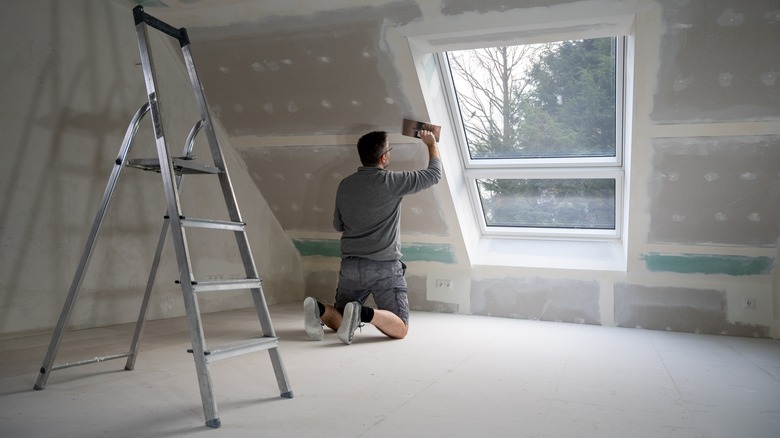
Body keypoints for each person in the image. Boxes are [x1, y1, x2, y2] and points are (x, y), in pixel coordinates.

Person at [304, 129, 442, 344]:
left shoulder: (345, 185)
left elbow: (338, 224)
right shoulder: (393, 181)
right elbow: (434, 175)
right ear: (384, 157)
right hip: (384, 268)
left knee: (341, 320)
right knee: (401, 327)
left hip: (350, 266)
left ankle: (319, 308)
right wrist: (431, 144)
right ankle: (363, 313)